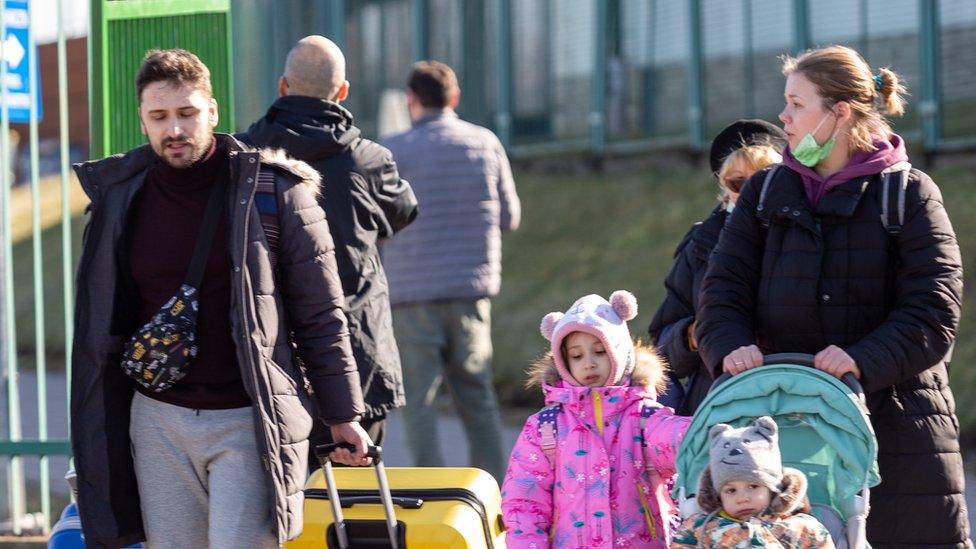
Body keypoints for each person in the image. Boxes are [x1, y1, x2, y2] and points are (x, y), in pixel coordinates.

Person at [70, 49, 371, 548]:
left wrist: (343, 415)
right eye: (159, 117)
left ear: (212, 110)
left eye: (187, 113)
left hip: (248, 419)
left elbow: (322, 316)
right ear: (142, 119)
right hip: (156, 419)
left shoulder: (276, 192)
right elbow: (105, 324)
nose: (175, 130)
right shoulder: (119, 196)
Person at [695, 45, 970, 547]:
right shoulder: (764, 192)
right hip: (782, 427)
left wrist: (861, 359)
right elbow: (721, 288)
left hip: (901, 427)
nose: (783, 117)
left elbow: (934, 307)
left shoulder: (908, 194)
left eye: (798, 104)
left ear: (839, 113)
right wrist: (729, 345)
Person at [238, 35, 418, 468]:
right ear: (342, 92)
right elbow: (404, 212)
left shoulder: (243, 156)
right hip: (357, 359)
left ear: (282, 87)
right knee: (353, 510)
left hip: (269, 357)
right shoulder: (369, 161)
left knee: (277, 507)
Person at [380, 60, 520, 481]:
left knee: (419, 402)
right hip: (469, 290)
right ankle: (493, 492)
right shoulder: (485, 143)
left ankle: (431, 493)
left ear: (411, 100)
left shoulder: (392, 151)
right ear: (454, 98)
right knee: (477, 396)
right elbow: (510, 216)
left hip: (410, 294)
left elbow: (376, 224)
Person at [502, 291, 691, 548]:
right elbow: (524, 501)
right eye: (577, 356)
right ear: (563, 362)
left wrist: (709, 430)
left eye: (600, 352)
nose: (589, 363)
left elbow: (679, 439)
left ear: (620, 353)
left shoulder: (644, 418)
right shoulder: (546, 427)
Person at [649, 120, 784, 415]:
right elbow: (660, 347)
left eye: (762, 179)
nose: (750, 192)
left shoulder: (805, 234)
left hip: (791, 398)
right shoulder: (701, 243)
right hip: (716, 406)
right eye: (738, 183)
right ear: (724, 188)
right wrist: (692, 335)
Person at [670, 417, 834, 548]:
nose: (742, 498)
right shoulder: (700, 529)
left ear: (773, 489)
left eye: (753, 486)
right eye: (731, 491)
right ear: (718, 495)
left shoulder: (801, 528)